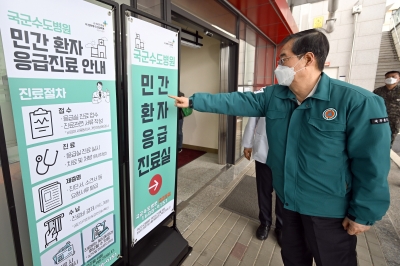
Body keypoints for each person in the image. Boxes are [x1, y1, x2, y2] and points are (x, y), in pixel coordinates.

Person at [169, 29, 391, 266]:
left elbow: (372, 165)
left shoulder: (357, 102)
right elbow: (238, 101)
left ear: (307, 59)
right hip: (288, 204)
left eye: (284, 59)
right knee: (293, 259)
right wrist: (194, 101)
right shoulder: (275, 95)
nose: (279, 66)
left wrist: (363, 213)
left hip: (329, 211)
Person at [242, 113, 283, 244]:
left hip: (285, 156)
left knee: (282, 195)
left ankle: (281, 227)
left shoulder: (295, 95)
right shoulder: (263, 94)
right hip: (264, 151)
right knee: (263, 191)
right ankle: (265, 223)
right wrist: (247, 144)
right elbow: (252, 119)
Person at [373, 71, 400, 148]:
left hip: (395, 120)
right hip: (379, 118)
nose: (390, 78)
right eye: (387, 77)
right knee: (377, 136)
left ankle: (386, 151)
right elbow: (373, 104)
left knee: (390, 137)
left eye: (393, 77)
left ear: (399, 78)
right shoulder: (378, 91)